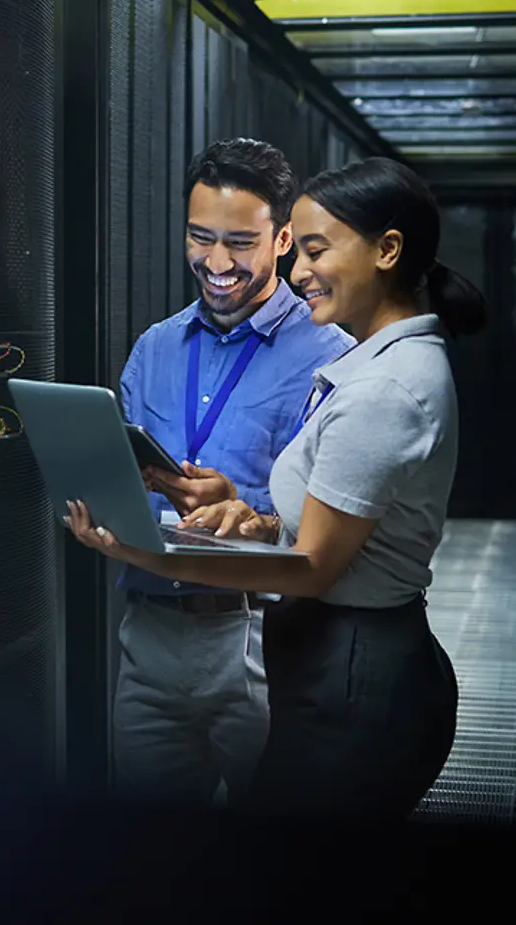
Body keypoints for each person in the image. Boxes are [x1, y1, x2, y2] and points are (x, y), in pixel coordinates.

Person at [67, 156, 488, 821]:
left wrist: (137, 549)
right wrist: (247, 513)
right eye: (201, 237)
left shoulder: (375, 383)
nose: (300, 274)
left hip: (327, 653)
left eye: (313, 249)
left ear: (387, 251)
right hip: (309, 652)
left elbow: (313, 568)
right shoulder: (375, 364)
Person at [110, 138, 355, 808]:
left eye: (240, 243)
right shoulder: (154, 348)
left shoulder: (332, 357)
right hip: (149, 631)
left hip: (260, 638)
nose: (215, 263)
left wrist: (242, 506)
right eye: (200, 238)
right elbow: (126, 482)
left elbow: (329, 530)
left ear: (282, 241)